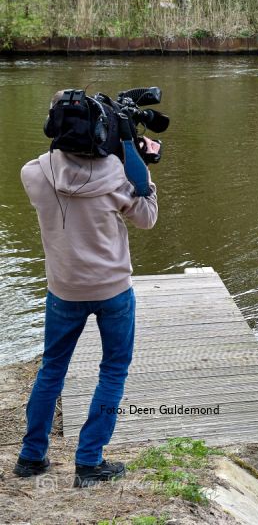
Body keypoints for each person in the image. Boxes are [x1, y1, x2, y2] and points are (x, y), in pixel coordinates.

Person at [13, 91, 159, 487]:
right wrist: (141, 166)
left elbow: (54, 168)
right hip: (113, 291)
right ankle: (89, 462)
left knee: (51, 371)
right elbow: (147, 219)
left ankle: (31, 458)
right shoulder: (119, 176)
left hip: (63, 291)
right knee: (112, 372)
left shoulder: (33, 173)